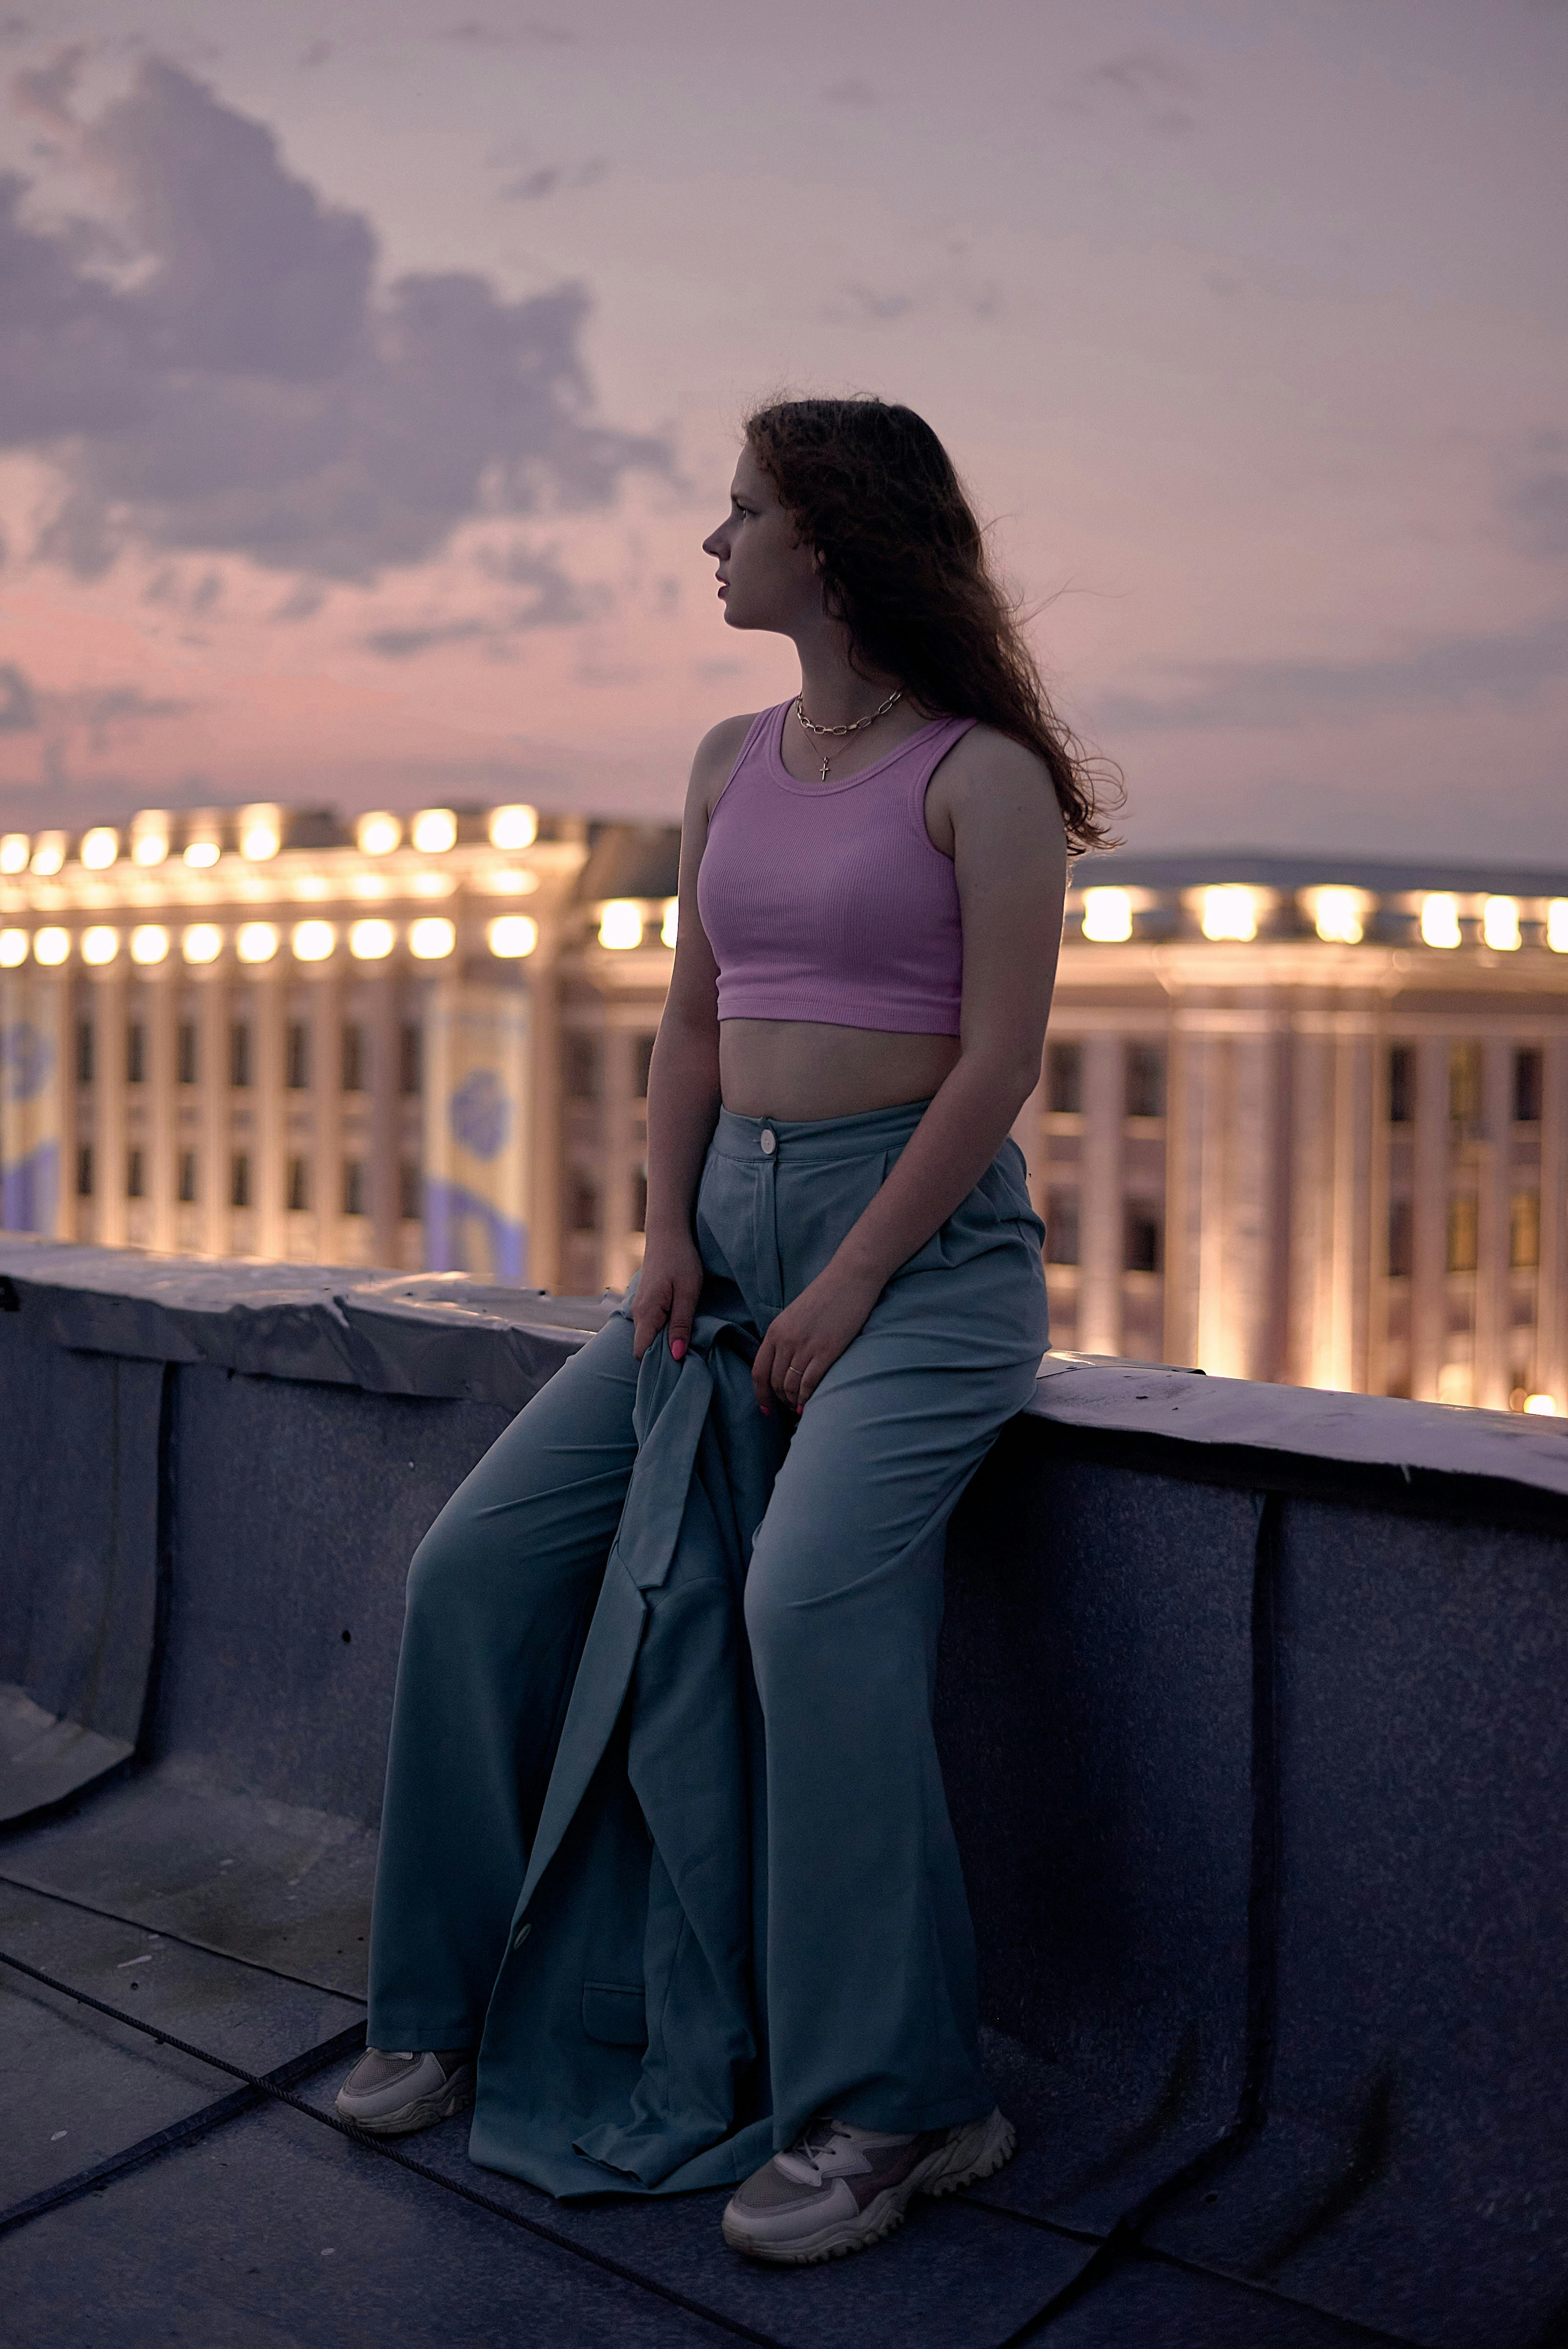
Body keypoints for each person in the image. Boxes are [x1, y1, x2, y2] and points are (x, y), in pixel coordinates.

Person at [335, 396, 1116, 2266]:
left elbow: (996, 1064)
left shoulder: (980, 775)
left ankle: (904, 2104)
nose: (715, 540)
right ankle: (443, 2007)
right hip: (726, 1249)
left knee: (807, 1599)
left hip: (919, 1268)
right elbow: (694, 1024)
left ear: (830, 543)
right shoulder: (727, 758)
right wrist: (667, 1233)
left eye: (742, 510)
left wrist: (849, 1284)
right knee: (474, 1568)